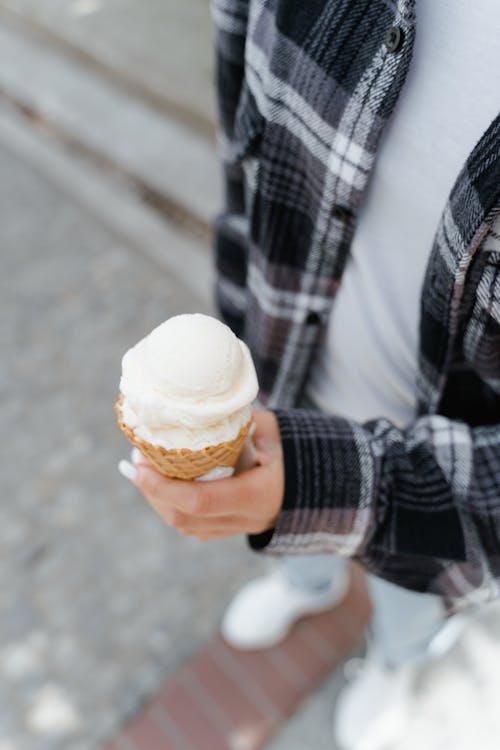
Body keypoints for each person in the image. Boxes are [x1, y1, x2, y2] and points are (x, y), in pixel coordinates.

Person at [120, 1, 500, 748]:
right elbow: (245, 163)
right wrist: (234, 336)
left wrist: (326, 487)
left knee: (407, 597)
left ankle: (395, 662)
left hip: (438, 472)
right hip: (280, 375)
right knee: (283, 535)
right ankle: (307, 584)